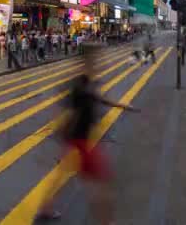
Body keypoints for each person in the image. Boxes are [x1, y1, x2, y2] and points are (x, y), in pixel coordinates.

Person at [37, 45, 139, 224]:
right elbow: (70, 106)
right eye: (97, 58)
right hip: (80, 139)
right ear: (88, 60)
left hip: (77, 138)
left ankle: (46, 207)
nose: (100, 62)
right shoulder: (81, 83)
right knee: (101, 180)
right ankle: (106, 221)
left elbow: (98, 99)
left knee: (66, 174)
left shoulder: (87, 81)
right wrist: (62, 130)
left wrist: (122, 106)